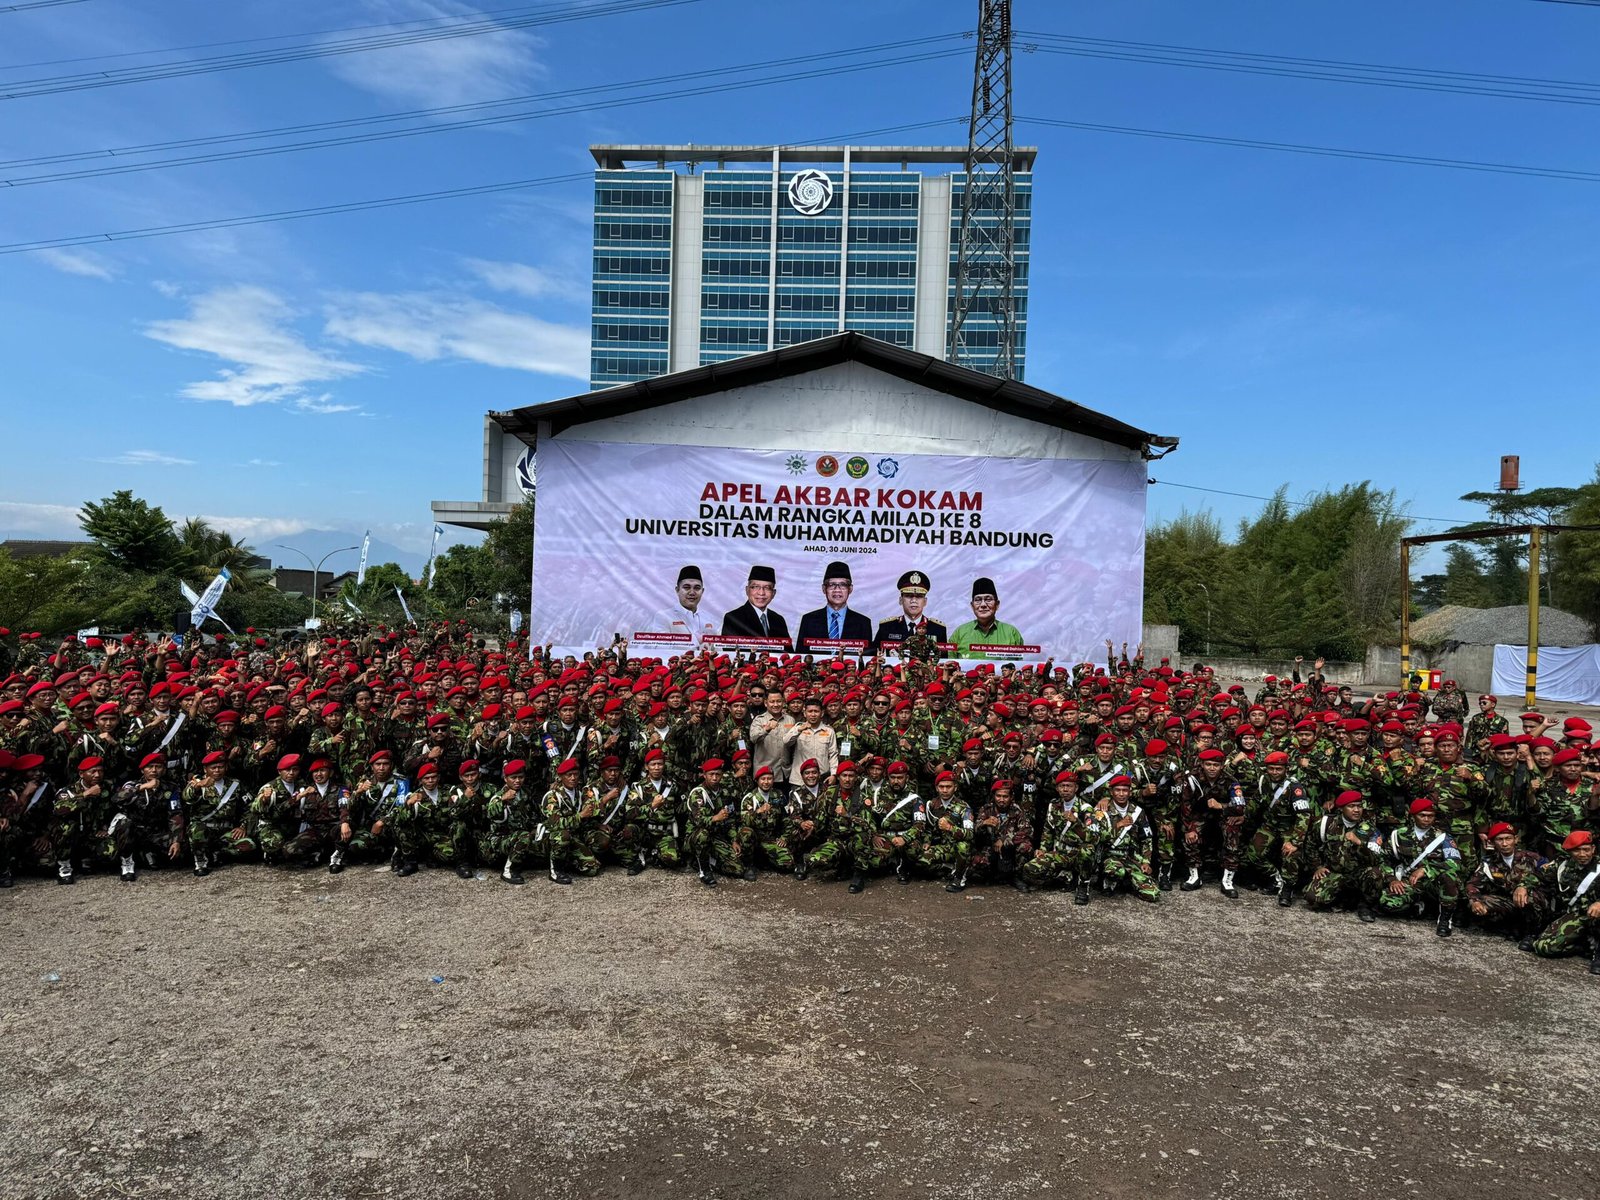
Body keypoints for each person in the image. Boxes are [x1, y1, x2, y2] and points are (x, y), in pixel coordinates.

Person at [796, 560, 873, 652]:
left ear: (850, 589)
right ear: (824, 589)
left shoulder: (863, 623)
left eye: (842, 585)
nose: (837, 590)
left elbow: (866, 661)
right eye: (832, 585)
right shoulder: (808, 620)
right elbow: (800, 658)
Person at [871, 570, 948, 659]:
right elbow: (874, 656)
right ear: (900, 600)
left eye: (919, 597)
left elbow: (943, 660)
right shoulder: (887, 627)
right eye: (908, 596)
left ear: (925, 602)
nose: (913, 600)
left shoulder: (938, 629)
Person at [950, 577, 1024, 656]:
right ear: (972, 606)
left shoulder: (1011, 633)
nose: (983, 605)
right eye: (978, 600)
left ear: (997, 605)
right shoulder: (959, 633)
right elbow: (948, 663)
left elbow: (1019, 665)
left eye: (988, 599)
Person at [650, 565, 718, 648]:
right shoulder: (664, 616)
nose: (692, 592)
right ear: (677, 590)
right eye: (686, 587)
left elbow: (717, 649)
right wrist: (695, 639)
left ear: (702, 591)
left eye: (697, 588)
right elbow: (660, 647)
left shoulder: (709, 618)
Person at [720, 565, 790, 642]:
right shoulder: (733, 618)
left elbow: (788, 652)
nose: (761, 593)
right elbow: (732, 651)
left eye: (767, 588)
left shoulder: (778, 620)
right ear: (747, 590)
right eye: (755, 587)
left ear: (773, 593)